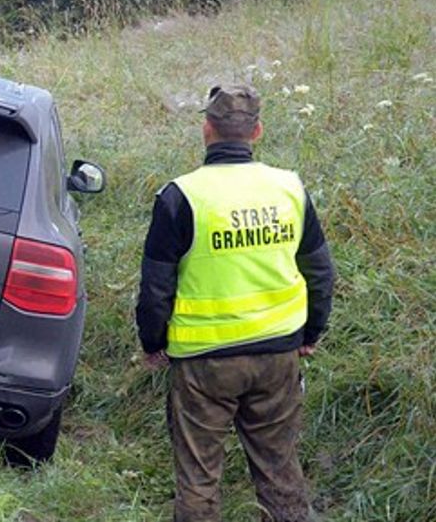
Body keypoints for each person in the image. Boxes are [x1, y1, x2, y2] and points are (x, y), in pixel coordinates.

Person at [136, 85, 335, 522]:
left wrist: (153, 343)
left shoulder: (181, 196)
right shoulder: (290, 188)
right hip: (278, 354)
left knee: (198, 478)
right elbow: (320, 272)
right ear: (257, 132)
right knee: (280, 470)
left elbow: (155, 287)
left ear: (207, 129)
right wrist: (311, 333)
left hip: (204, 363)